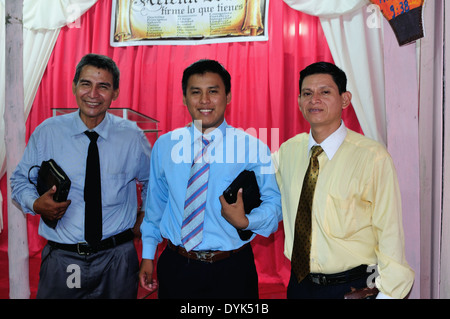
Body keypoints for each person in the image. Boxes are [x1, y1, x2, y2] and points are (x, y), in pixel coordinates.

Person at [10, 53, 152, 299]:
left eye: (103, 86)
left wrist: (145, 215)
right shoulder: (48, 132)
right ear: (74, 86)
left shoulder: (132, 137)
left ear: (115, 92)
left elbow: (153, 183)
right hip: (63, 258)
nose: (93, 94)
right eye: (86, 84)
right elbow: (20, 180)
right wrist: (35, 203)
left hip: (117, 258)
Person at [139, 59, 282, 298]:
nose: (204, 100)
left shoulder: (253, 147)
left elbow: (275, 204)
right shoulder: (165, 146)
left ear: (228, 97)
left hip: (233, 269)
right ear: (184, 98)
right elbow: (155, 206)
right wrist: (148, 254)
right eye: (196, 92)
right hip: (177, 265)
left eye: (213, 91)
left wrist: (247, 221)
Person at [272, 62, 415, 299]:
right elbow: (263, 186)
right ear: (299, 102)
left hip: (353, 287)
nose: (314, 99)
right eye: (307, 93)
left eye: (325, 92)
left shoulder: (372, 157)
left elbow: (389, 233)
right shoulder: (288, 151)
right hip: (299, 285)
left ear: (345, 99)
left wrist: (386, 295)